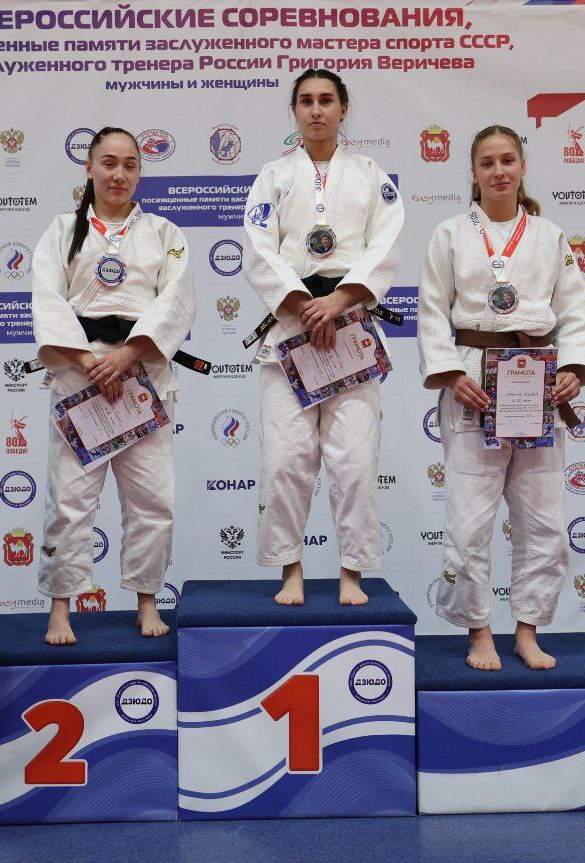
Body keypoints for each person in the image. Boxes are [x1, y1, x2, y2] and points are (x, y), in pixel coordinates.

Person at [418, 125, 585, 671]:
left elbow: (575, 311)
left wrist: (574, 368)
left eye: (507, 161)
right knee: (470, 522)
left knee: (544, 520)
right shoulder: (450, 234)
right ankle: (478, 632)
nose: (499, 171)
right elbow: (432, 310)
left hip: (537, 381)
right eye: (488, 163)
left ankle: (527, 630)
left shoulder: (550, 235)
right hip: (474, 381)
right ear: (474, 173)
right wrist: (451, 374)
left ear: (522, 167)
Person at [242, 69, 404, 606]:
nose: (316, 110)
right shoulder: (273, 175)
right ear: (295, 111)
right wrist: (302, 305)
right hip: (292, 330)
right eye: (307, 101)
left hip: (349, 327)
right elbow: (258, 248)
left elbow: (385, 243)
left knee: (353, 463)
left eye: (327, 100)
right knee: (286, 461)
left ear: (343, 108)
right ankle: (290, 569)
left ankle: (351, 571)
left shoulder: (370, 174)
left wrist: (338, 301)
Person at [32, 126, 196, 645]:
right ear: (89, 169)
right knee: (69, 501)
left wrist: (127, 354)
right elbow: (47, 299)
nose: (118, 174)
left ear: (139, 172)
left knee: (153, 500)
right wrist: (88, 359)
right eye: (108, 163)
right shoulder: (63, 230)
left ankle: (147, 600)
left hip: (141, 376)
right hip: (79, 376)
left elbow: (176, 302)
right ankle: (61, 608)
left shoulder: (165, 233)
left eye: (129, 165)